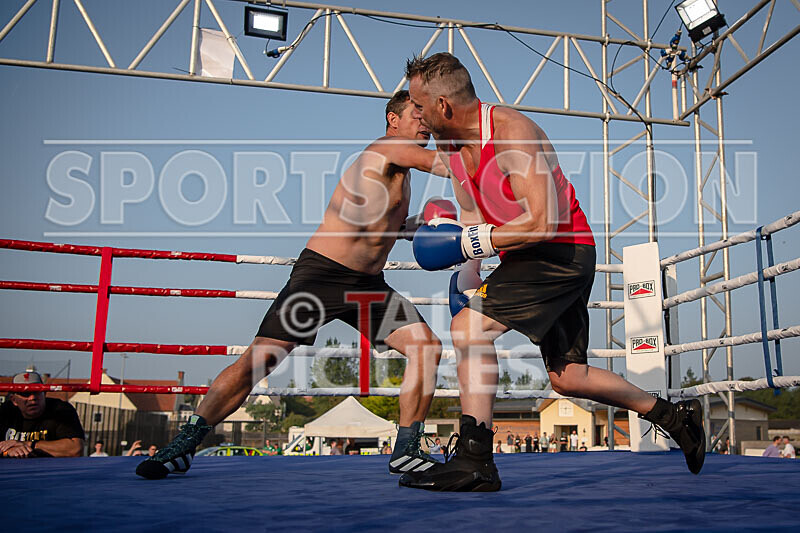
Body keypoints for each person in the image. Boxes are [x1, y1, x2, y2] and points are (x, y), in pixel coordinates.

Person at [399, 53, 705, 492]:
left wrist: (475, 245)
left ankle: (475, 459)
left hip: (561, 253)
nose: (418, 116)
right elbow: (471, 215)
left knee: (468, 330)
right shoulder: (452, 149)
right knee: (568, 378)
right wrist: (470, 270)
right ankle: (674, 416)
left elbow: (543, 221)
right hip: (524, 259)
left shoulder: (512, 134)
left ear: (443, 105)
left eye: (420, 106)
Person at [136, 91, 449, 480]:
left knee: (426, 347)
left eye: (428, 116)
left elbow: (380, 226)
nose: (425, 122)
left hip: (368, 286)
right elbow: (448, 166)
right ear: (393, 119)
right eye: (417, 114)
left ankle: (406, 449)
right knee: (260, 361)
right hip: (321, 277)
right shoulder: (386, 149)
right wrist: (495, 158)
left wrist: (422, 225)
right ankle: (183, 443)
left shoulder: (401, 175)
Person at [0, 371, 84, 458]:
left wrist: (27, 444)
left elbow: (76, 449)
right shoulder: (5, 411)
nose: (32, 398)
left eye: (37, 392)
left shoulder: (60, 409)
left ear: (44, 393)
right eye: (25, 394)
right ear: (14, 400)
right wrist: (7, 451)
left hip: (52, 469)